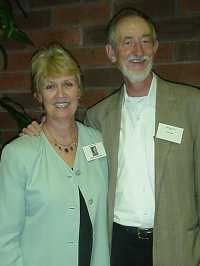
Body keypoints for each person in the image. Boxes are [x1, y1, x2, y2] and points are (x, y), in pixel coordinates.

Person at [20, 8, 200, 266]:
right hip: (116, 247)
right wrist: (37, 134)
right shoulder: (98, 118)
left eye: (145, 41)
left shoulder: (192, 106)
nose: (138, 50)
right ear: (111, 53)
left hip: (177, 248)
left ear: (155, 47)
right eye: (127, 43)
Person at [0, 43, 110, 266]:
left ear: (79, 90)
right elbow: (5, 238)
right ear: (38, 95)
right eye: (50, 86)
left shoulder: (98, 142)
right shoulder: (18, 154)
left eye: (68, 84)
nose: (61, 94)